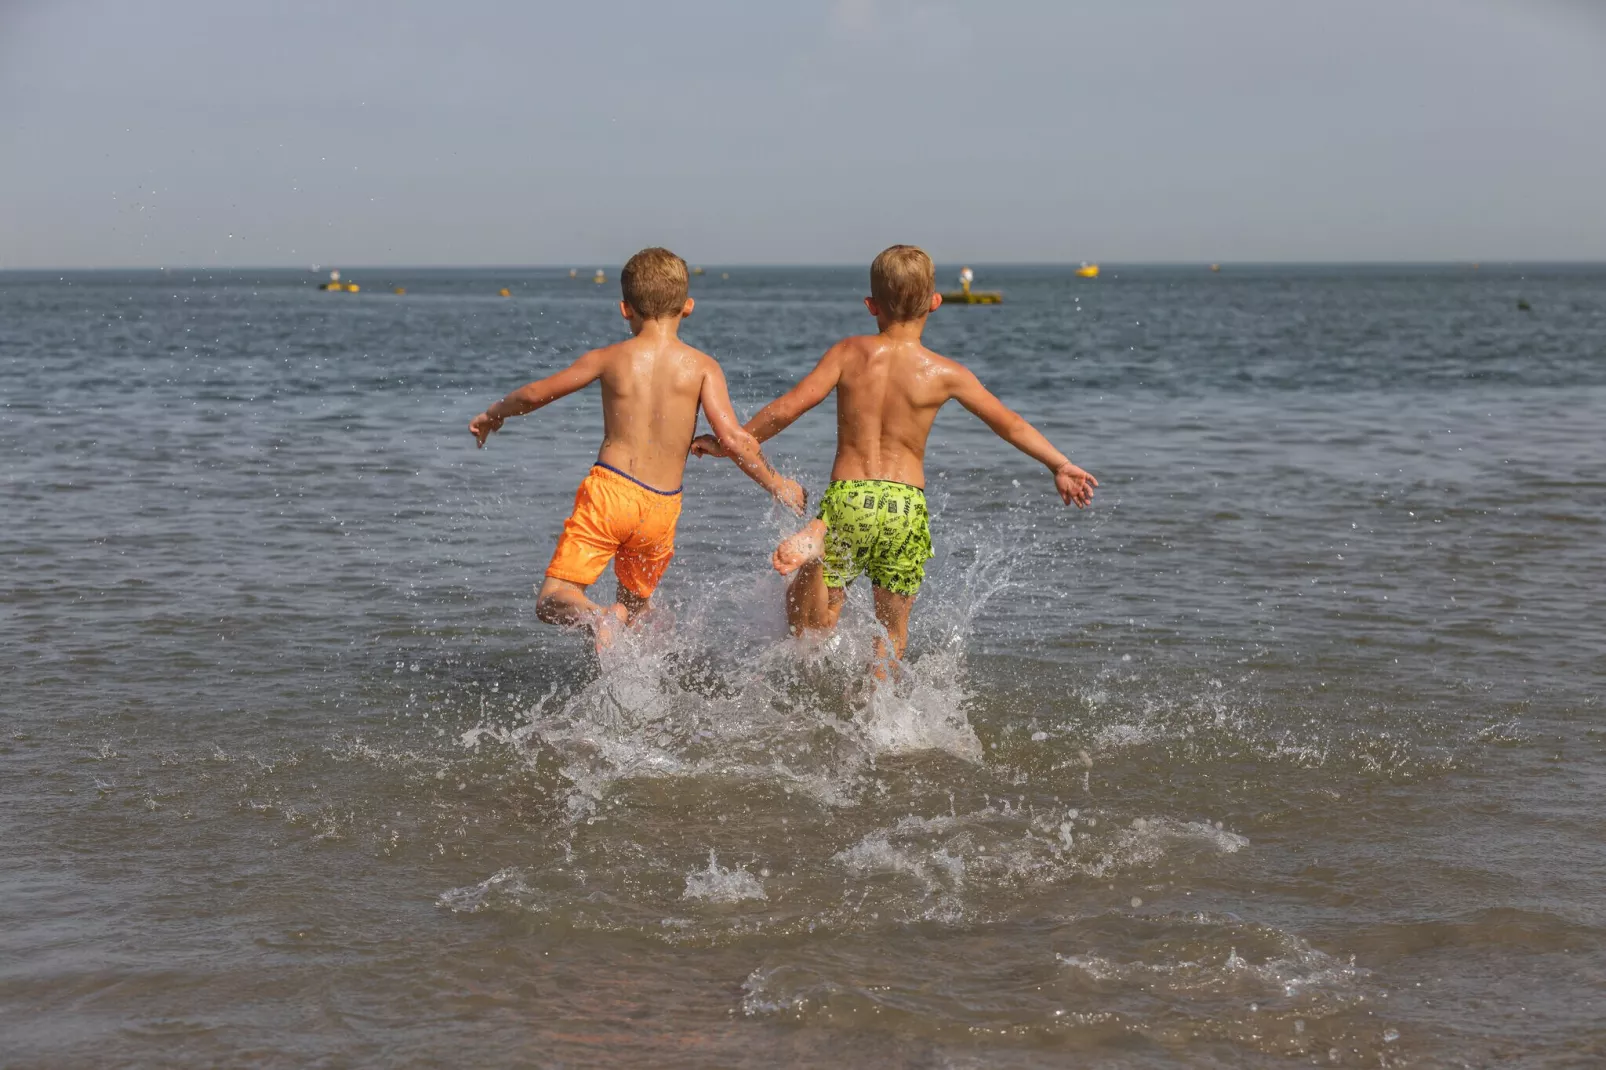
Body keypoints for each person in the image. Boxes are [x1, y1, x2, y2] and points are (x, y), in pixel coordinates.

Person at [691, 244, 1096, 668]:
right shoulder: (945, 373)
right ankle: (880, 721)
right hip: (905, 507)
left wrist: (733, 441)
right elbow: (1008, 423)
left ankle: (814, 555)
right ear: (935, 304)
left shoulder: (848, 353)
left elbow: (788, 407)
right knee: (891, 634)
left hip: (849, 499)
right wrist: (1059, 463)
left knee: (812, 629)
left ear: (871, 305)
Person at [470, 247, 804, 645]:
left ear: (625, 309)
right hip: (662, 509)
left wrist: (495, 413)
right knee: (636, 613)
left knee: (553, 600)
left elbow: (536, 394)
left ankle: (597, 618)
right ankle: (643, 681)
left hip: (611, 494)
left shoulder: (610, 358)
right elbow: (734, 440)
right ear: (688, 307)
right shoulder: (702, 367)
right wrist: (778, 483)